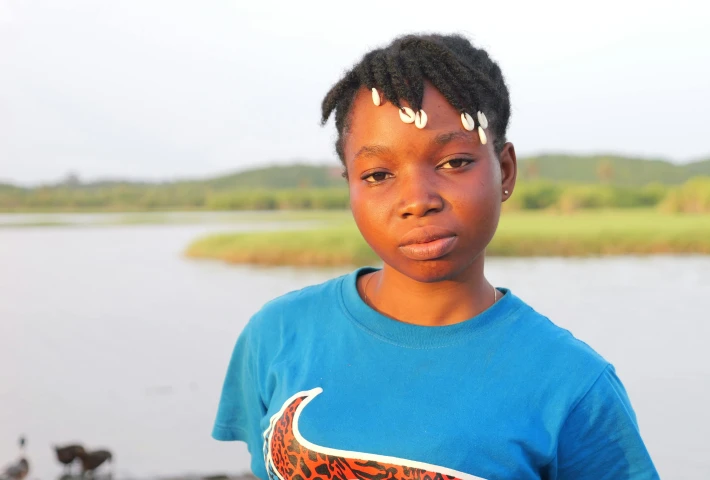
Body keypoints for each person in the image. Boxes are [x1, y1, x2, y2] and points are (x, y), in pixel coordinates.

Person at [212, 33, 659, 480]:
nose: (417, 200)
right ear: (349, 185)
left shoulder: (573, 385)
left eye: (453, 163)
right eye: (378, 174)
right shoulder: (278, 334)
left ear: (504, 170)